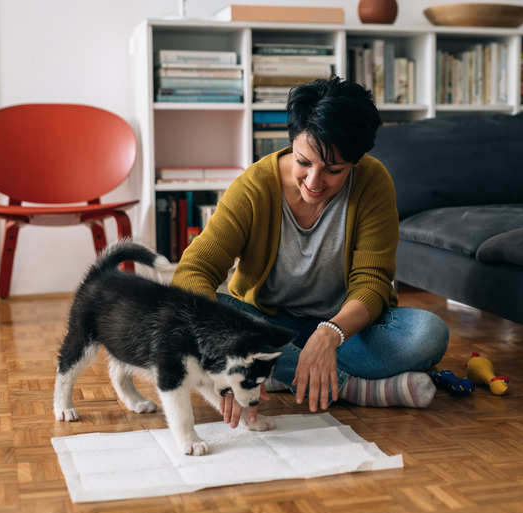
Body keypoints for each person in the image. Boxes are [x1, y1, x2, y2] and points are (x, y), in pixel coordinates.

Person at [171, 76, 449, 427]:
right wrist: (222, 351)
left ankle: (277, 370)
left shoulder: (373, 182)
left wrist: (330, 334)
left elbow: (373, 282)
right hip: (266, 327)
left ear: (356, 162)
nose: (314, 182)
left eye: (333, 170)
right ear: (292, 142)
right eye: (304, 162)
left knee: (428, 334)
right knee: (194, 311)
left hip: (344, 331)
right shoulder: (254, 187)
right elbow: (195, 269)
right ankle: (352, 388)